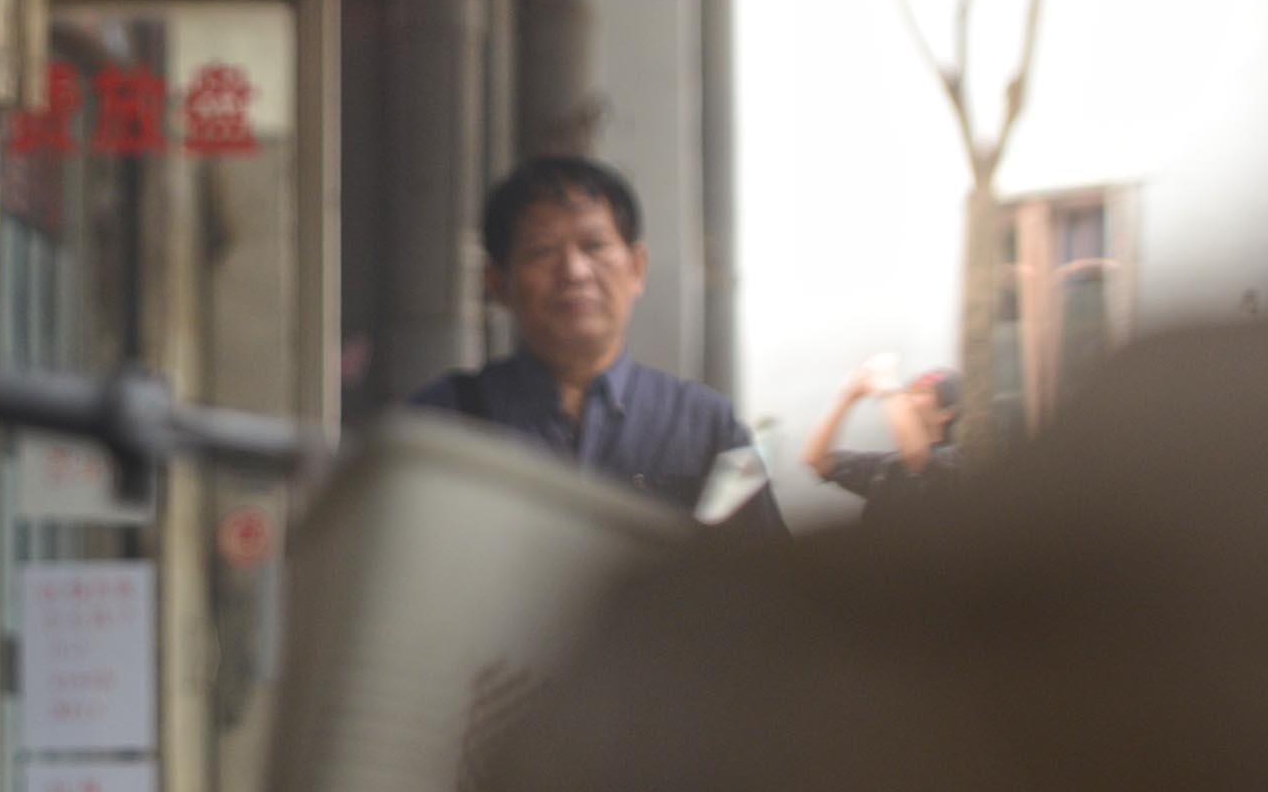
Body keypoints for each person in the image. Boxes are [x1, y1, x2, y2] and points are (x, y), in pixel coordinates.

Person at [393, 154, 787, 532]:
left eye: (594, 246)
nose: (574, 271)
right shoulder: (442, 425)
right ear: (498, 283)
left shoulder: (707, 427)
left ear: (636, 269)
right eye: (542, 251)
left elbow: (769, 587)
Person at [804, 358, 963, 510]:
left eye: (921, 392)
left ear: (946, 413)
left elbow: (919, 459)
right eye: (907, 391)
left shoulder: (960, 460)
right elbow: (817, 459)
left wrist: (888, 386)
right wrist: (849, 396)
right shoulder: (887, 468)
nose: (905, 397)